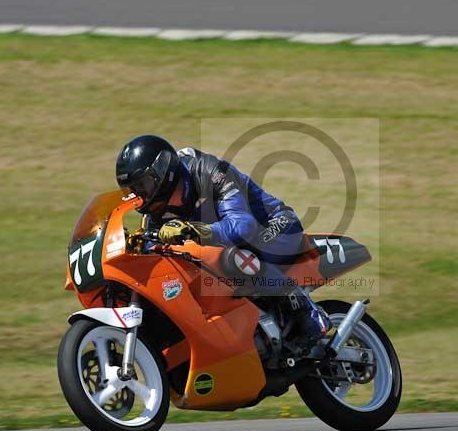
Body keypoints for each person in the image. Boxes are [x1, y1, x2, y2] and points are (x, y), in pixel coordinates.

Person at [115, 134, 331, 345]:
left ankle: (305, 311)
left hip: (276, 225)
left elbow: (243, 225)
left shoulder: (210, 171)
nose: (139, 194)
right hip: (227, 241)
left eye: (143, 185)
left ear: (162, 172)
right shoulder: (155, 212)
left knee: (236, 255)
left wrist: (194, 231)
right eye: (133, 190)